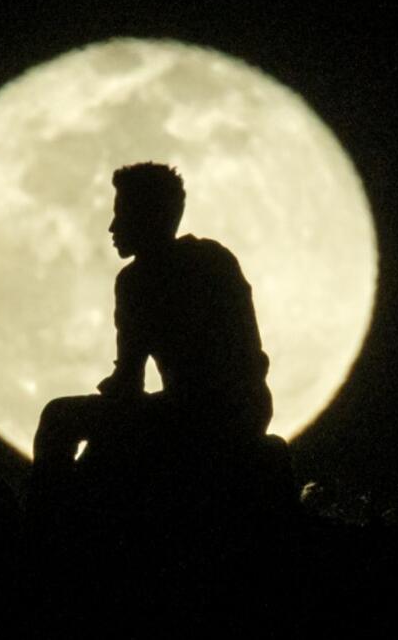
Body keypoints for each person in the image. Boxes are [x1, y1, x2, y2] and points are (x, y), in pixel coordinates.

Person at [33, 163, 272, 485]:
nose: (112, 227)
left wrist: (115, 391)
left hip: (196, 417)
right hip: (249, 410)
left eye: (122, 213)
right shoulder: (215, 258)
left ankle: (47, 518)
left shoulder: (137, 281)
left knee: (58, 417)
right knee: (103, 449)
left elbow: (130, 382)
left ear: (150, 215)